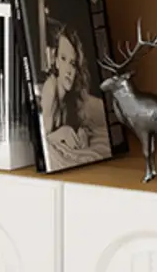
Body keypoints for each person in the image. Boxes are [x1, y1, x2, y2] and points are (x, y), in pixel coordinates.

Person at [40, 23, 111, 168]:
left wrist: (81, 132)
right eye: (63, 58)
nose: (68, 70)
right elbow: (44, 137)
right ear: (56, 61)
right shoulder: (51, 88)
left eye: (72, 63)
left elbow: (78, 122)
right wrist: (61, 134)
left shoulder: (70, 96)